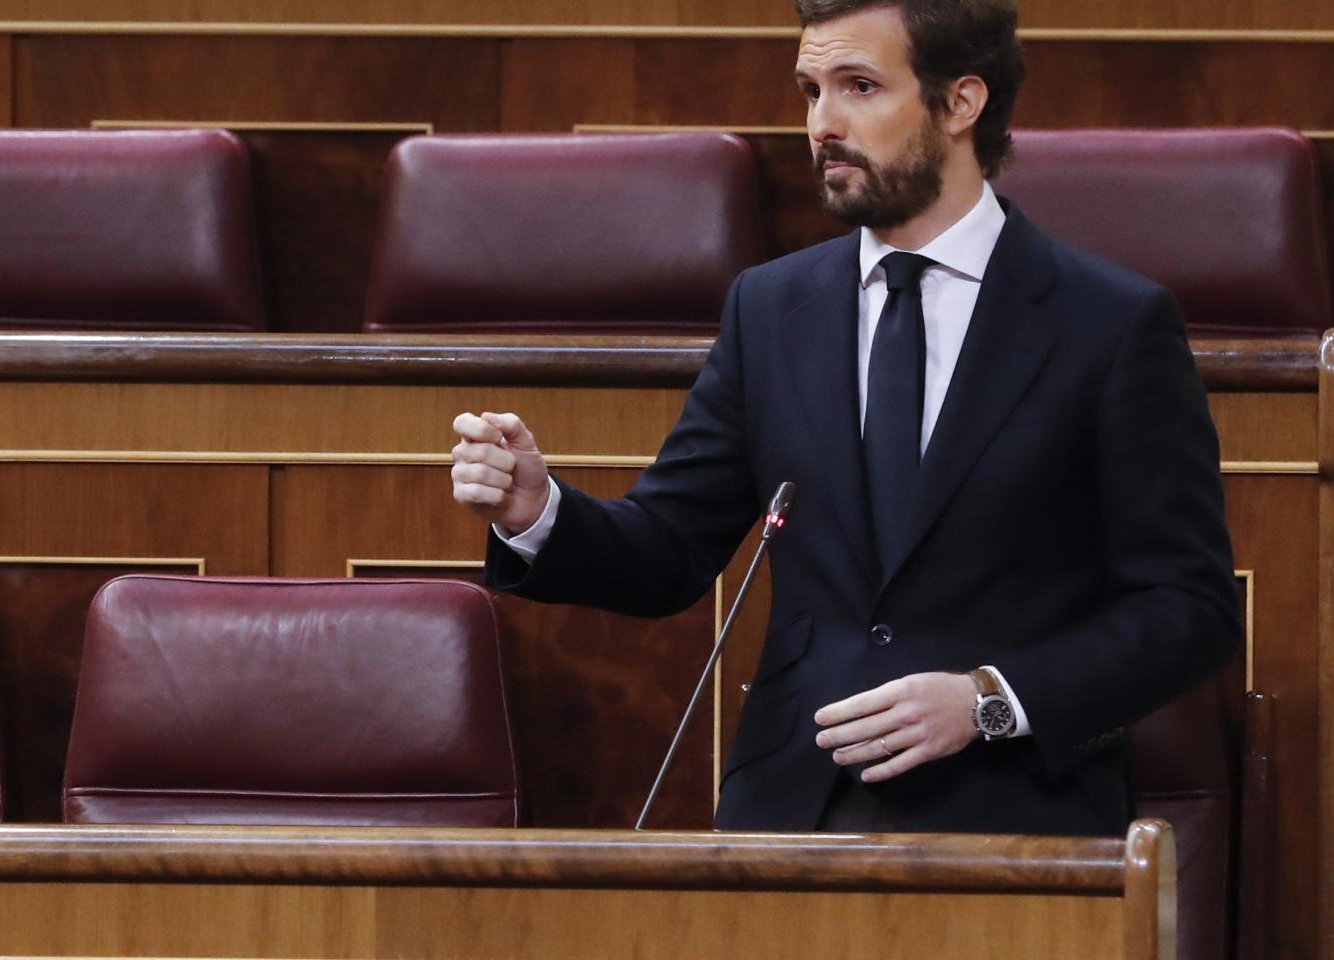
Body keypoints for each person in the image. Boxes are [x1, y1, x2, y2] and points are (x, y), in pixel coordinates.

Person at [449, 0, 1240, 834]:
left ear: (961, 102)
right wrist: (538, 513)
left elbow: (1189, 607)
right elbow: (669, 550)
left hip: (1014, 819)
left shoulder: (1109, 323)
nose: (822, 124)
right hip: (792, 812)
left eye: (858, 87)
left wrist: (989, 701)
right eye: (810, 91)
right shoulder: (772, 306)